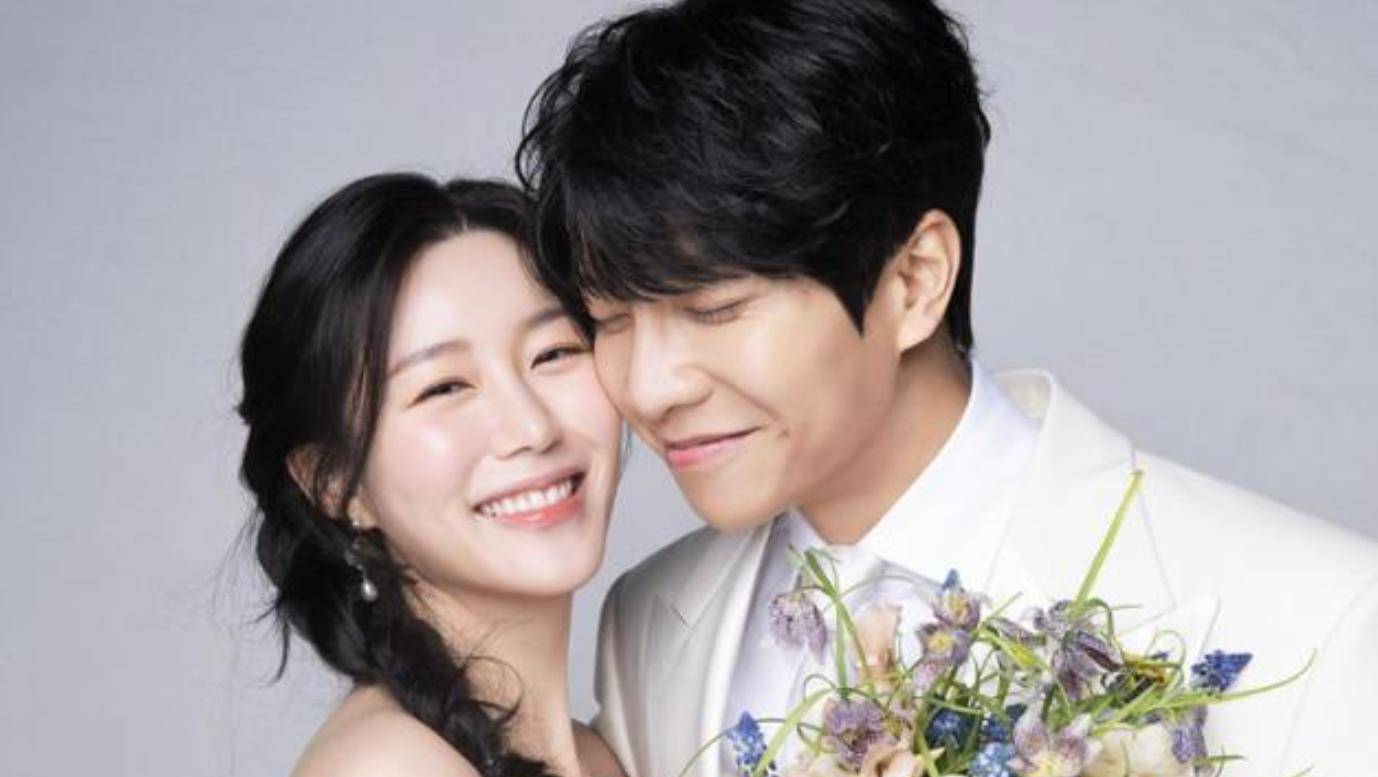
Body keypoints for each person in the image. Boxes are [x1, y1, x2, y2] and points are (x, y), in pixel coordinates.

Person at [515, 1, 1378, 775]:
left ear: (915, 280)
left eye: (715, 309)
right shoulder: (651, 621)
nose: (650, 387)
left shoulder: (1323, 615)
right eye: (610, 320)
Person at [236, 174, 625, 777]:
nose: (531, 427)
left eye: (553, 353)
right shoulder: (390, 766)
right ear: (334, 482)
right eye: (444, 387)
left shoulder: (605, 754)